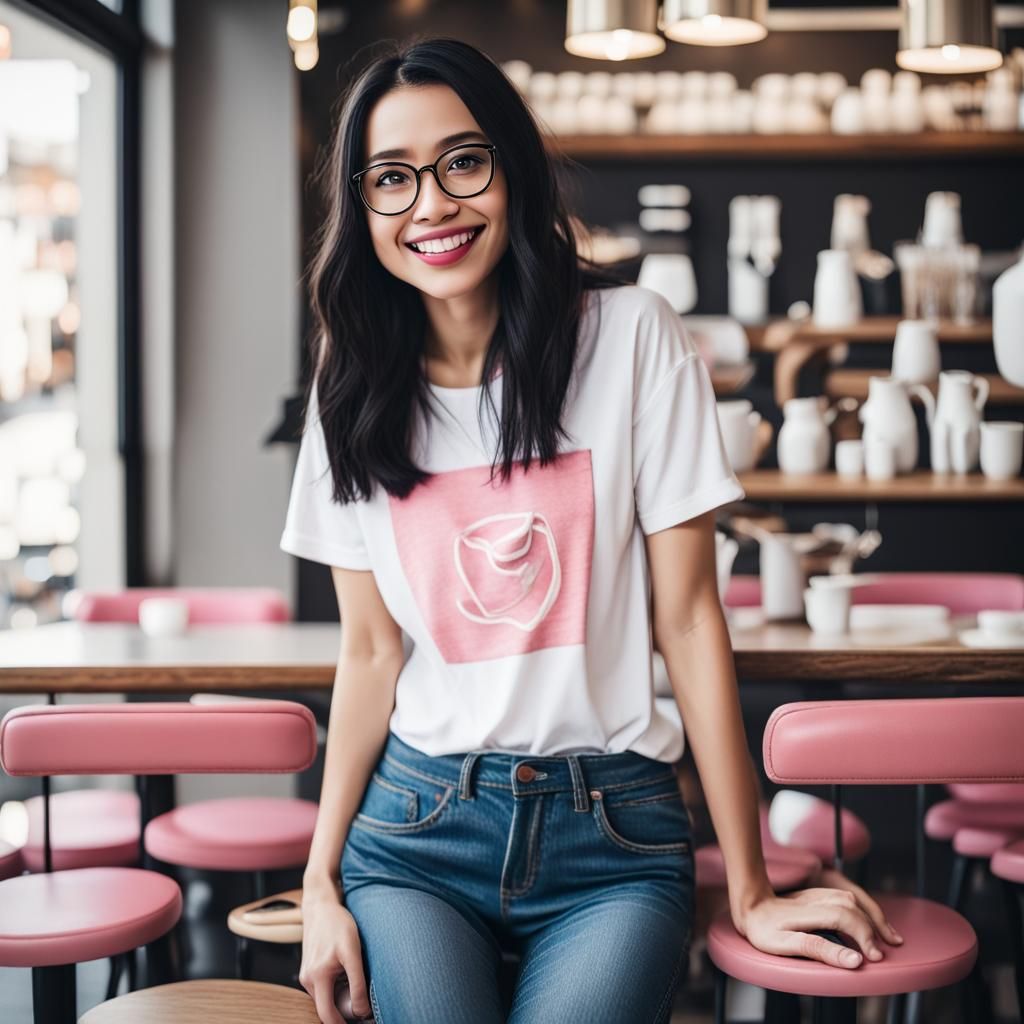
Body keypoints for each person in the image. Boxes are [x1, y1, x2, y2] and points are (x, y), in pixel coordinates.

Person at [281, 36, 902, 1024]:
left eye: (462, 162)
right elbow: (367, 653)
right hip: (415, 834)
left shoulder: (631, 336)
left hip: (611, 833)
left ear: (513, 171)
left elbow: (690, 619)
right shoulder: (350, 383)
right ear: (361, 210)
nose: (430, 205)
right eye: (390, 180)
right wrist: (319, 884)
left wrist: (746, 885)